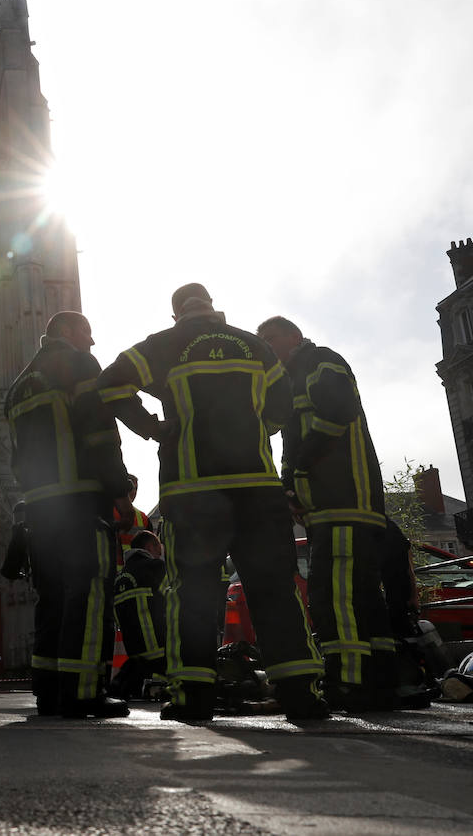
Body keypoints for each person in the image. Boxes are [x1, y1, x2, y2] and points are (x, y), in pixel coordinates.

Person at [95, 284, 326, 722]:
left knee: (192, 593)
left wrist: (151, 427)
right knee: (275, 587)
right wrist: (252, 433)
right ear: (212, 307)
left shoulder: (165, 345)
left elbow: (108, 385)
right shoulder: (255, 345)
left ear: (176, 313)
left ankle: (193, 697)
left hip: (193, 491)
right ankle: (301, 694)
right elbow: (281, 409)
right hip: (257, 489)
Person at [256, 315, 398, 711]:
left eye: (272, 339)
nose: (269, 348)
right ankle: (384, 681)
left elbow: (336, 412)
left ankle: (348, 682)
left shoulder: (320, 362)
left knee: (332, 597)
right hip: (336, 505)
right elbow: (295, 437)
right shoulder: (293, 379)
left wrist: (299, 470)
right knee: (364, 595)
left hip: (342, 500)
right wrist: (291, 486)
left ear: (294, 336)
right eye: (262, 343)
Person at [5, 310, 138, 718]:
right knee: (89, 594)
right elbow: (98, 431)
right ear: (62, 331)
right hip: (80, 503)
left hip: (40, 510)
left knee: (52, 600)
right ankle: (82, 693)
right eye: (86, 332)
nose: (92, 342)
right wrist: (119, 491)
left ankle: (48, 692)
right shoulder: (77, 365)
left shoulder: (18, 386)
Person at [110, 527, 167, 699]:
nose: (160, 552)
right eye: (158, 548)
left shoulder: (121, 577)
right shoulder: (155, 567)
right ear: (149, 547)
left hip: (135, 651)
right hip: (160, 649)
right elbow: (172, 600)